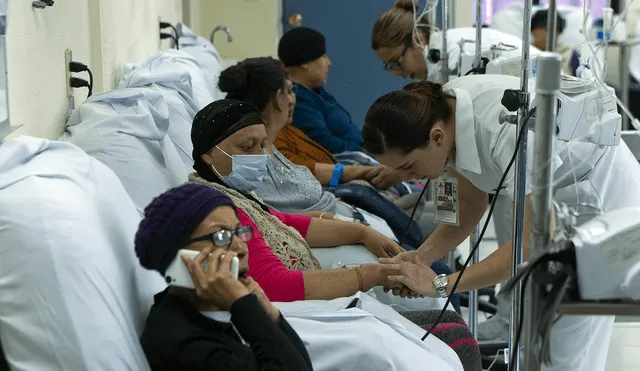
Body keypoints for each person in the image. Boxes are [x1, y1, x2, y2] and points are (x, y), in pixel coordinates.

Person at [362, 74, 640, 371]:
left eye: (409, 166)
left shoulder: (505, 130)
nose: (406, 178)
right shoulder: (444, 114)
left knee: (563, 337)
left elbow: (533, 242)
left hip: (595, 193)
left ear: (436, 138)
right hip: (556, 194)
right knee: (536, 330)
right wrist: (421, 258)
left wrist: (440, 285)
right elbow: (470, 203)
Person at [188, 98, 460, 313]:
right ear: (209, 153)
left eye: (262, 147)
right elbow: (274, 286)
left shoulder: (236, 194)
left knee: (431, 280)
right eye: (248, 148)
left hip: (335, 247)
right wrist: (372, 275)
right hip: (307, 309)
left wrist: (361, 233)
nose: (260, 158)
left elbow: (281, 221)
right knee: (439, 306)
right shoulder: (217, 210)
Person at [134, 183, 313, 371]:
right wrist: (244, 306)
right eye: (221, 237)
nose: (242, 248)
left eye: (238, 233)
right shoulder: (187, 348)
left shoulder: (206, 312)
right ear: (178, 257)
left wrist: (271, 316)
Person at [217, 57, 403, 219]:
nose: (329, 62)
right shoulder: (257, 159)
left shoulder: (280, 138)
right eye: (290, 90)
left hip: (345, 210)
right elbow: (314, 173)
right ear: (278, 98)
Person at [372, 0, 538, 82]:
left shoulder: (454, 56)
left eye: (396, 62)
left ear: (417, 37)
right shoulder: (440, 60)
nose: (395, 73)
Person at [278, 27, 364, 154]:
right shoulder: (298, 101)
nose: (328, 63)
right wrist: (360, 150)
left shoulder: (317, 92)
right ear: (305, 62)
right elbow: (324, 145)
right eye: (323, 56)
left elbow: (349, 127)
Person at [531, 10, 580, 76]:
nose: (548, 34)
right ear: (532, 30)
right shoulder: (524, 53)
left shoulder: (570, 55)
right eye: (545, 28)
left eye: (554, 30)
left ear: (559, 33)